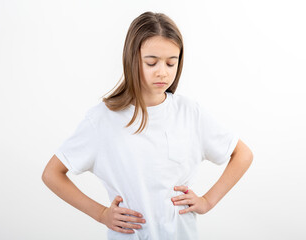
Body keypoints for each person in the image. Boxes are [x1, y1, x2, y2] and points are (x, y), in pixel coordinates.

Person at [42, 11, 253, 240]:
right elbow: (52, 173)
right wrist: (102, 213)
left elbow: (242, 154)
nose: (162, 72)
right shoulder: (103, 119)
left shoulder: (190, 113)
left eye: (171, 63)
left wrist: (207, 201)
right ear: (132, 59)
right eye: (151, 62)